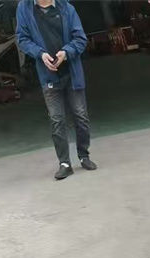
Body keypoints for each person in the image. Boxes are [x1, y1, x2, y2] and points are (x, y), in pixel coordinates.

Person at [16, 0, 96, 180]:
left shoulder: (66, 8)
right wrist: (40, 54)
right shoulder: (25, 8)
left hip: (72, 73)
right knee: (57, 119)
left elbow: (80, 38)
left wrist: (66, 52)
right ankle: (64, 163)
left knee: (81, 116)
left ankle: (84, 155)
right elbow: (22, 39)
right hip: (48, 75)